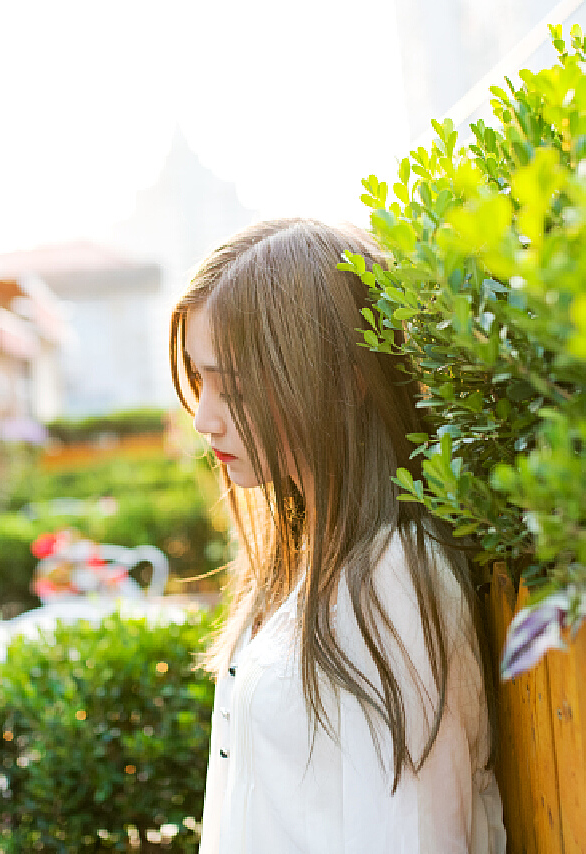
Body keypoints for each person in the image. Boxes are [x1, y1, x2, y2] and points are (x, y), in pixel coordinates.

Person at [170, 219, 505, 853]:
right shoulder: (310, 558)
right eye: (199, 379)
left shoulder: (393, 586)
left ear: (338, 379)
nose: (205, 418)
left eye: (233, 387)